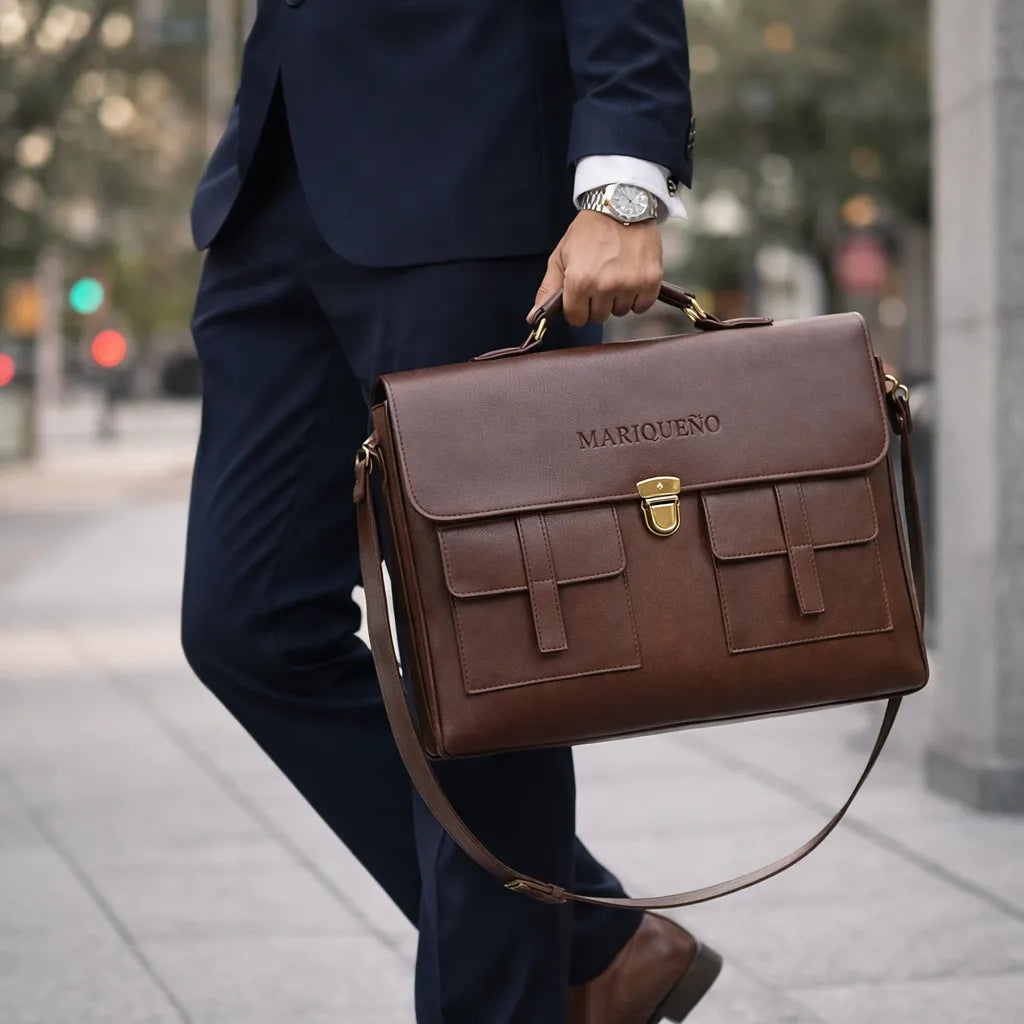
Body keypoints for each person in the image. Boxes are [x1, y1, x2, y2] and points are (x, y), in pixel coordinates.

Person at [181, 2, 718, 1021]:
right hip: (273, 193)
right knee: (246, 625)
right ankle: (590, 944)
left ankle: (538, 980)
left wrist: (623, 179)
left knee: (488, 653)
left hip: (470, 177)